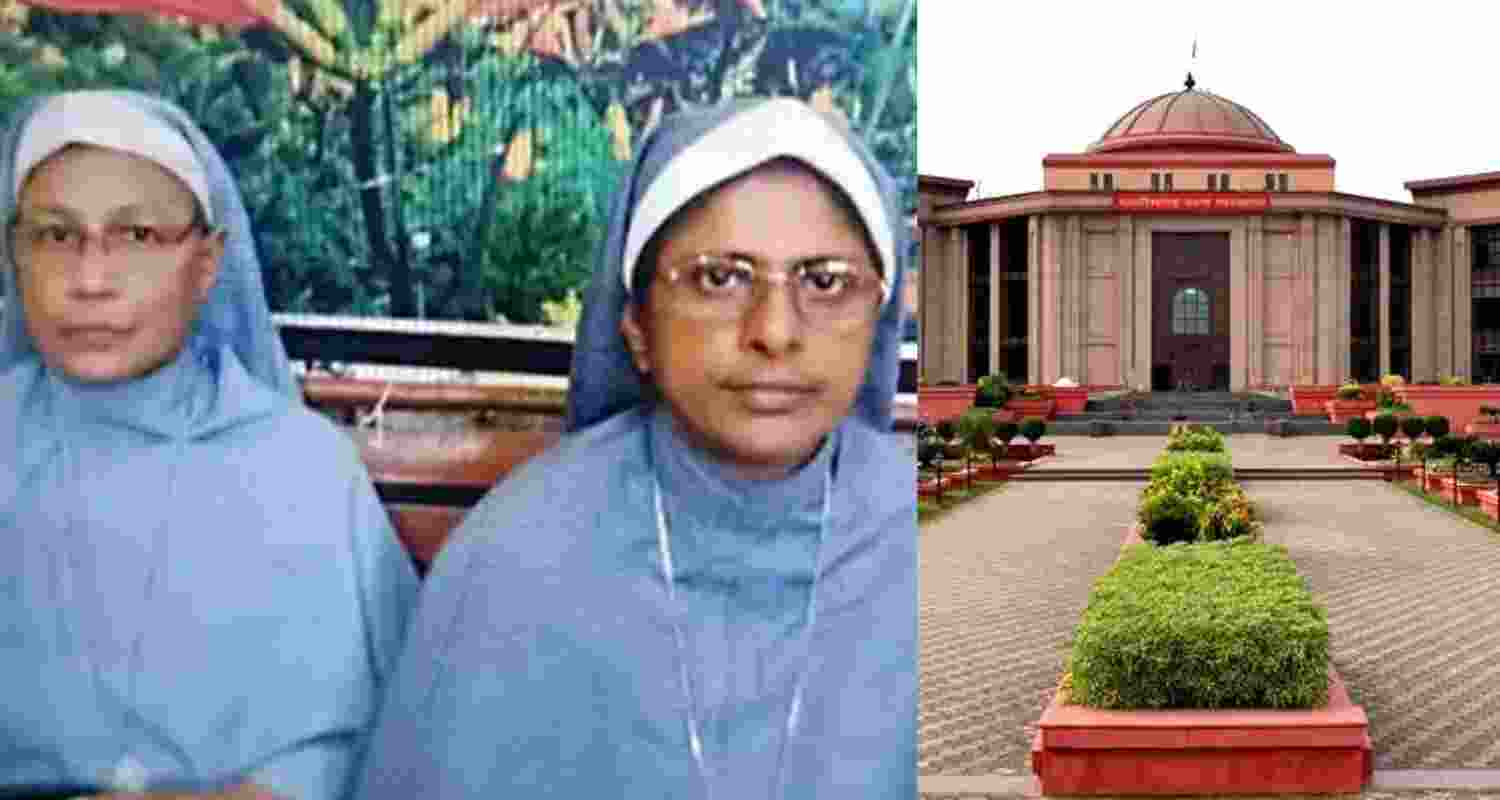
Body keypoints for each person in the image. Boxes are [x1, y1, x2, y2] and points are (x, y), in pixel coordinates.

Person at [355, 97, 916, 798]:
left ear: (877, 318)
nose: (775, 331)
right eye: (721, 277)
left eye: (825, 282)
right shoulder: (518, 557)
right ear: (637, 328)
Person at [0, 90, 418, 799]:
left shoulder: (303, 470)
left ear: (206, 263)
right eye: (55, 235)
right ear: (14, 255)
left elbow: (393, 736)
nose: (91, 280)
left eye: (136, 236)